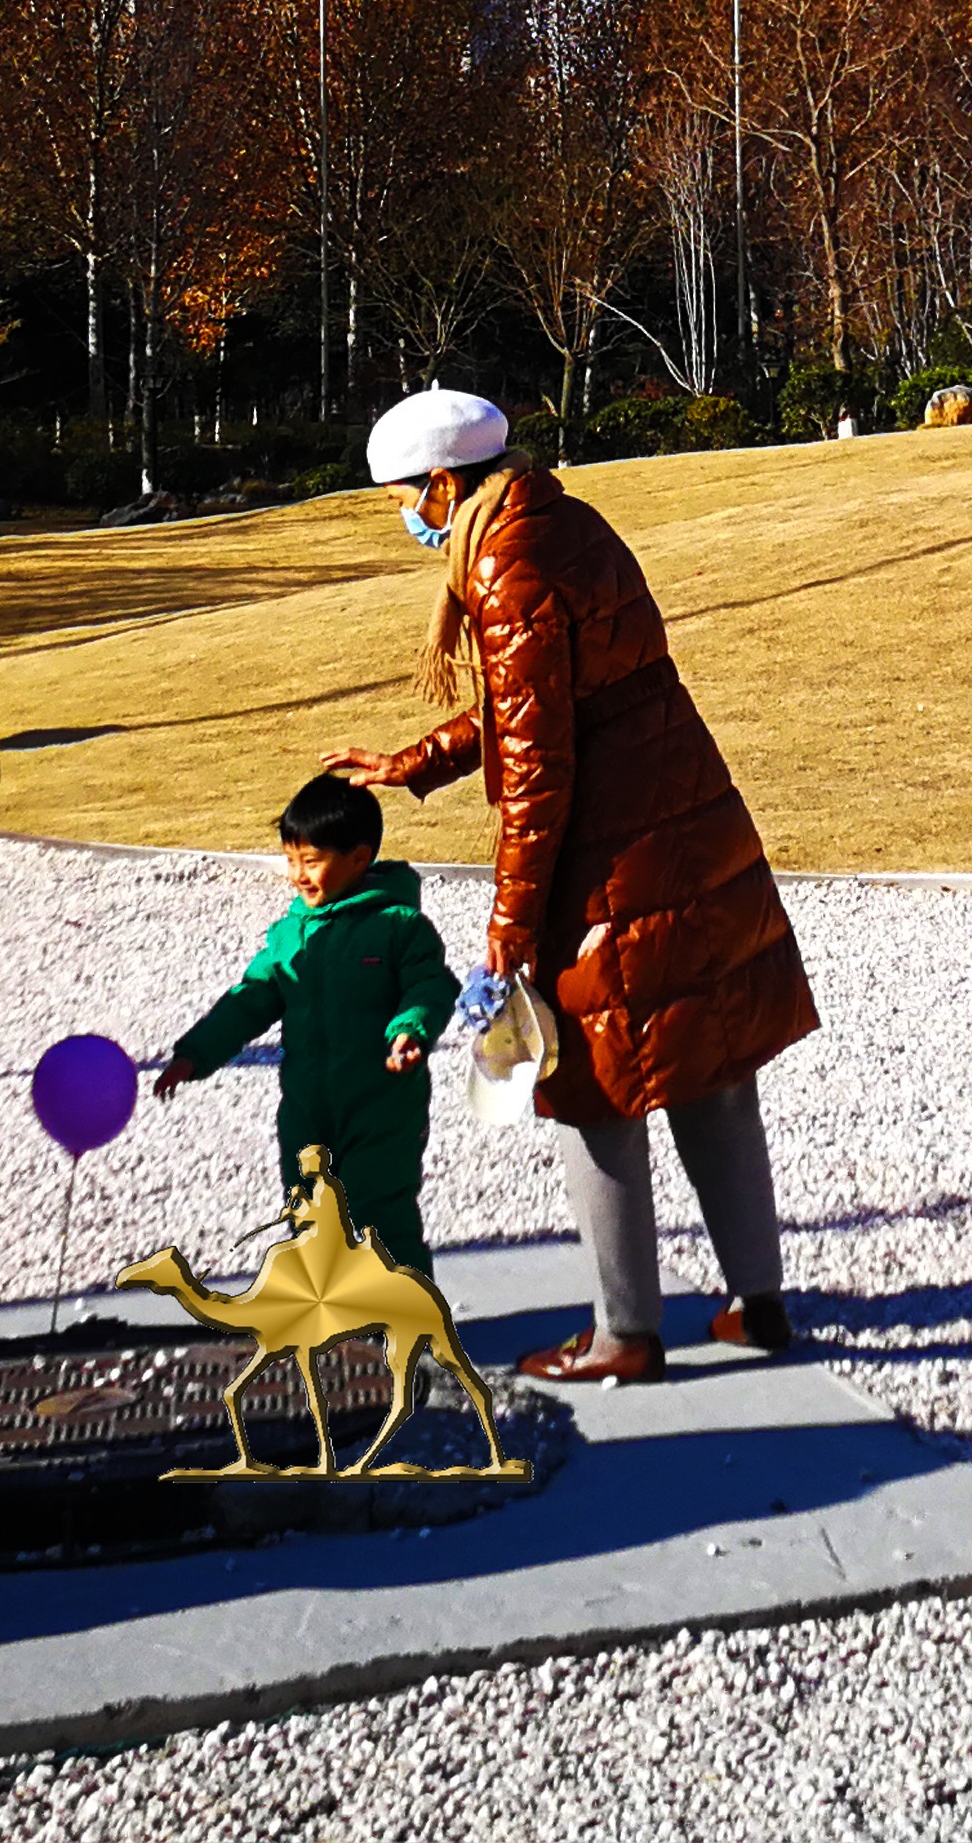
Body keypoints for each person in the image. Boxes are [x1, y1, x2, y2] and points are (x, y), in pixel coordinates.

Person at [334, 387, 816, 1384]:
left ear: (438, 482)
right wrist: (419, 760)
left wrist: (508, 926)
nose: (405, 520)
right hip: (683, 813)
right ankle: (754, 1302)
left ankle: (623, 1334)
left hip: (611, 858)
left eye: (400, 500)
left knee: (592, 1085)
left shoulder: (505, 570)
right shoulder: (564, 521)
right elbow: (542, 705)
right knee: (710, 1064)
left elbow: (539, 765)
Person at [152, 770, 465, 1292]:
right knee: (307, 1208)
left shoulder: (398, 925)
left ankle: (408, 1313)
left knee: (378, 1208)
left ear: (359, 859)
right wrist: (196, 1054)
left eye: (312, 861)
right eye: (292, 859)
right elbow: (251, 999)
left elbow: (431, 984)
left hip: (381, 1102)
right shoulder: (290, 934)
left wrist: (412, 1027)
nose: (298, 874)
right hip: (304, 1104)